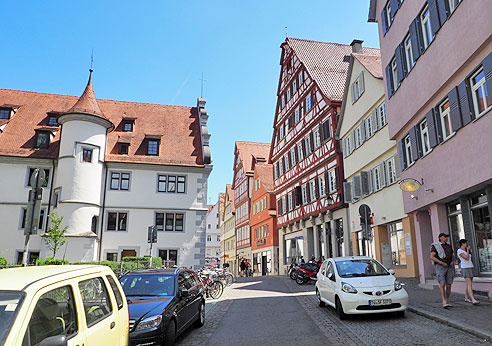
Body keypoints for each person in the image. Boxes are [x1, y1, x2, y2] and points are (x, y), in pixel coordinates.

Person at [430, 233, 455, 308]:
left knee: (449, 285)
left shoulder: (449, 246)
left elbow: (452, 255)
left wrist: (452, 261)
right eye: (445, 237)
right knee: (442, 284)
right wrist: (441, 262)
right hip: (440, 266)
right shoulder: (436, 246)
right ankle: (443, 301)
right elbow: (432, 257)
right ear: (440, 238)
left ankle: (447, 300)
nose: (446, 238)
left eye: (447, 237)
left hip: (449, 266)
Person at [457, 239, 480, 305]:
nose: (467, 244)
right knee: (469, 283)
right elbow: (466, 258)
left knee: (468, 283)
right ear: (463, 244)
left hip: (470, 266)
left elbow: (469, 257)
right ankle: (473, 299)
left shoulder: (466, 250)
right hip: (465, 268)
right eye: (466, 243)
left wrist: (469, 251)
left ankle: (466, 297)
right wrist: (467, 250)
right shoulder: (459, 251)